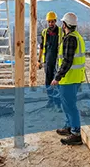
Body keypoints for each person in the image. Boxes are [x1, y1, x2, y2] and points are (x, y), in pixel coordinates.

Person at [50, 12, 86, 146]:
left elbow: (67, 61)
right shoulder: (77, 36)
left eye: (62, 23)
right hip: (74, 78)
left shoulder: (70, 38)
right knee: (67, 104)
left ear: (65, 24)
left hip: (69, 79)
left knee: (70, 106)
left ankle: (76, 133)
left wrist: (57, 77)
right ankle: (69, 126)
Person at [37, 11, 62, 109]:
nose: (51, 24)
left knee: (56, 81)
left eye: (52, 21)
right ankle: (50, 100)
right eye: (49, 22)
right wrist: (39, 60)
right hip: (47, 61)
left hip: (57, 60)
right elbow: (42, 47)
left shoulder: (60, 32)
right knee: (48, 81)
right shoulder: (44, 32)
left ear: (55, 21)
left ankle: (58, 103)